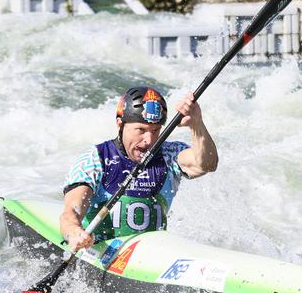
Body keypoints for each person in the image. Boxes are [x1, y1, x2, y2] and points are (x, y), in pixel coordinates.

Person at [60, 86, 218, 251]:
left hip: (151, 255)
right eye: (140, 130)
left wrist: (196, 123)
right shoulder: (95, 159)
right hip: (100, 252)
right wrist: (74, 232)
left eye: (155, 130)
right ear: (120, 124)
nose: (149, 140)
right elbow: (71, 211)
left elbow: (207, 164)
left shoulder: (169, 154)